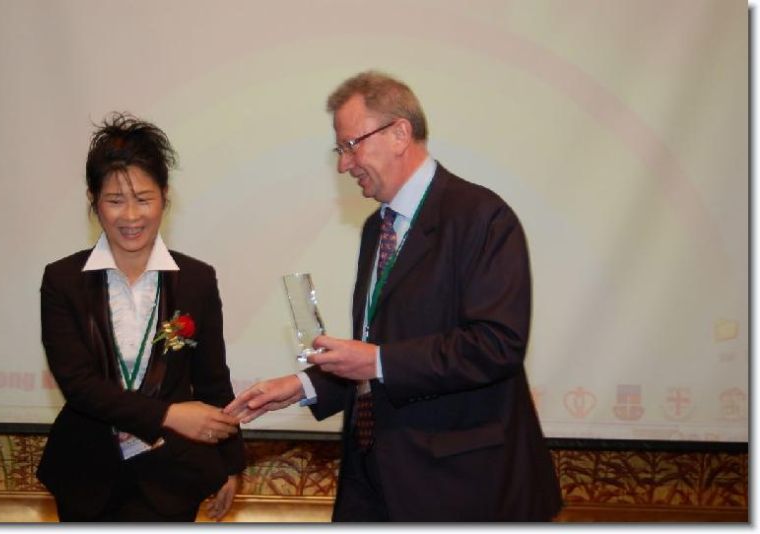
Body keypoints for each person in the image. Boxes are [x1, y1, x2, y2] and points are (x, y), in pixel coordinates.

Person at [225, 71, 562, 521]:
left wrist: (377, 361)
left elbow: (496, 345)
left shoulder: (481, 218)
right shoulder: (377, 227)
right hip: (374, 478)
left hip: (459, 487)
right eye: (340, 151)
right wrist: (304, 386)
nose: (344, 165)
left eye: (351, 146)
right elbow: (383, 348)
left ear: (400, 133)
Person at [38, 112, 245, 522]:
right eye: (115, 201)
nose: (131, 216)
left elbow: (212, 380)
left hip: (172, 478)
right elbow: (78, 385)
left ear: (165, 197)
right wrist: (170, 415)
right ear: (93, 200)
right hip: (86, 476)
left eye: (144, 199)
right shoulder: (62, 280)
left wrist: (230, 461)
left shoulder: (197, 280)